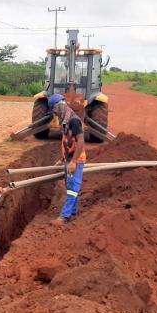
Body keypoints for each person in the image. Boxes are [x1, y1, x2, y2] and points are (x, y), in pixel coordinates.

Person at [48, 94, 86, 224]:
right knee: (70, 186)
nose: (55, 114)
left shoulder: (73, 121)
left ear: (59, 106)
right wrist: (63, 159)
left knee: (72, 188)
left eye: (54, 110)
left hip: (76, 159)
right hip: (69, 158)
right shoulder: (65, 120)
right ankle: (73, 211)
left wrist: (74, 162)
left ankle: (65, 216)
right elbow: (67, 142)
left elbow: (80, 141)